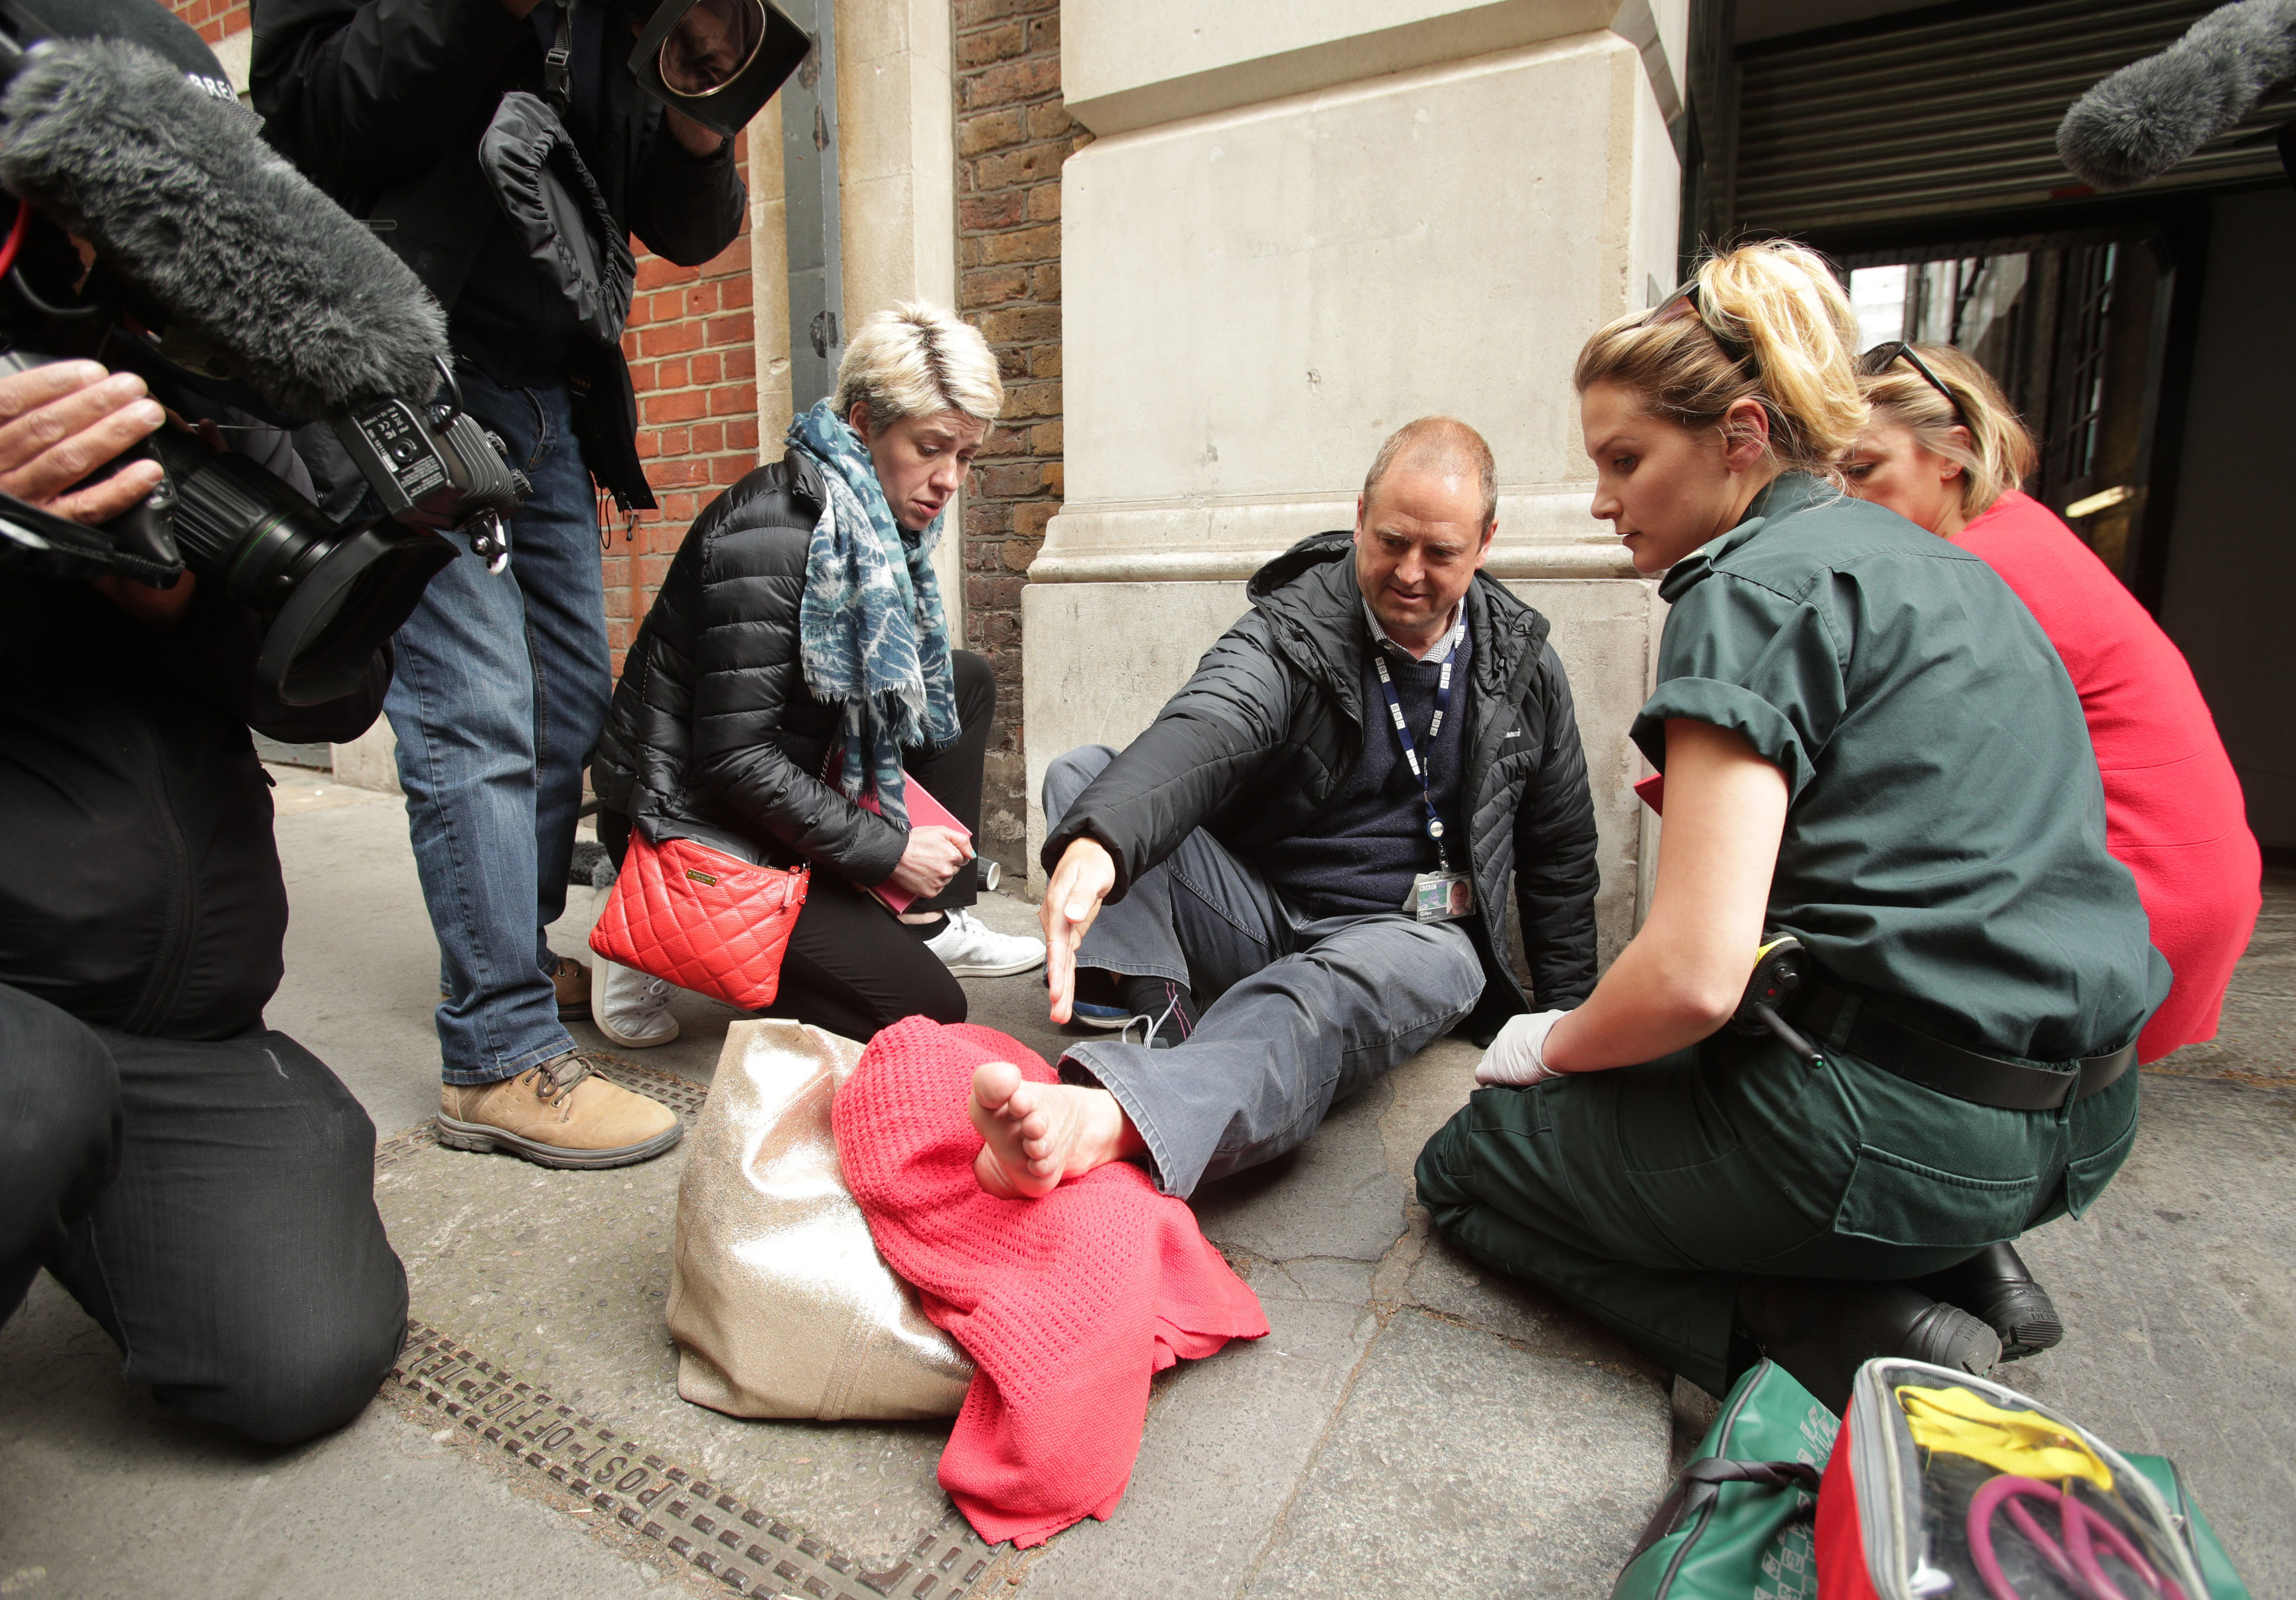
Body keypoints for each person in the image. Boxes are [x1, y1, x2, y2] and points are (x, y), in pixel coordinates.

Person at [1411, 246, 2167, 1414]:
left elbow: (1696, 976)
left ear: (1742, 434)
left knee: (1464, 1169)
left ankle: (1825, 1316)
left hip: (1908, 1132)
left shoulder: (1747, 588)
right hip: (2090, 1114)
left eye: (1625, 460)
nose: (1604, 501)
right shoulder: (1946, 565)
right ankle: (1964, 1259)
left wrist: (1547, 1047)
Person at [252, 0, 749, 1165]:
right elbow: (309, 117)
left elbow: (682, 225)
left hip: (547, 394)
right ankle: (497, 1052)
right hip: (406, 367)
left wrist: (698, 106)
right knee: (473, 705)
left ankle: (506, 960)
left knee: (569, 700)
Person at [968, 416, 1601, 1204]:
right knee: (1087, 779)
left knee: (1323, 996)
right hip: (1258, 913)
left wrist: (1572, 1032)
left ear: (1484, 543)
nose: (1409, 572)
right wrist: (1102, 841)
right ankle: (1165, 1018)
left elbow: (1559, 851)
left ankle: (1118, 1115)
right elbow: (1208, 727)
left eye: (1439, 553)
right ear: (1361, 513)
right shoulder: (1292, 627)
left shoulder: (1523, 665)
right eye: (1391, 540)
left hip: (1405, 940)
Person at [0, 357, 409, 1444]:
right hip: (17, 1014)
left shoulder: (180, 352)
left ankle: (88, 1179)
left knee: (298, 1355)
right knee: (31, 1090)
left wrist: (178, 598)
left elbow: (340, 675)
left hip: (184, 1029)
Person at [593, 303, 1044, 1046]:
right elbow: (733, 758)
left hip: (789, 776)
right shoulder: (771, 535)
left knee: (957, 681)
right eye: (931, 448)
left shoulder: (869, 522)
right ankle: (654, 926)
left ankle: (928, 918)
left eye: (965, 457)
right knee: (925, 1013)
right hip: (687, 816)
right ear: (864, 423)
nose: (949, 479)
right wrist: (890, 850)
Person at [1841, 340, 2260, 1066]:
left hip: (2142, 898)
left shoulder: (1982, 567)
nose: (1844, 498)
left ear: (1951, 454)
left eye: (1862, 469)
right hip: (2188, 881)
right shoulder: (2014, 528)